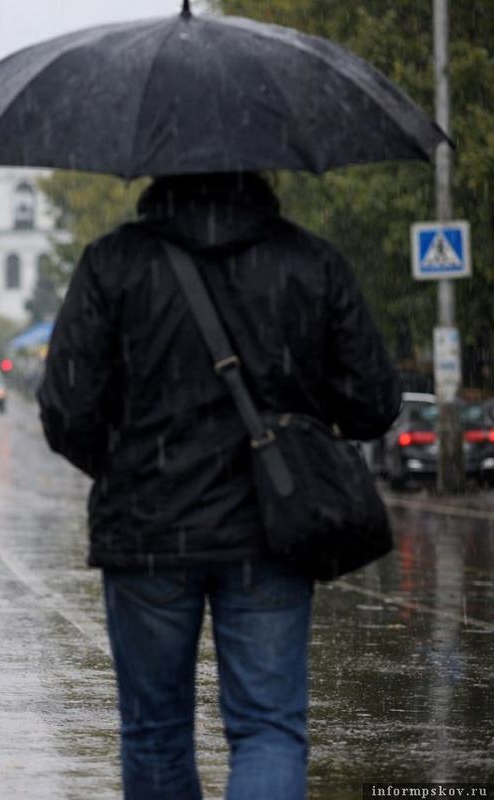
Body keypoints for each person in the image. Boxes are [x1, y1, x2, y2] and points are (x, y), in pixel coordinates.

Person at [36, 172, 400, 800]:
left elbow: (66, 410)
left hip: (146, 533)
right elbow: (374, 403)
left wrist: (130, 468)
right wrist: (299, 421)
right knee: (268, 731)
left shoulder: (113, 263)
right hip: (275, 528)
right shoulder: (310, 262)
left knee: (155, 734)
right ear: (260, 165)